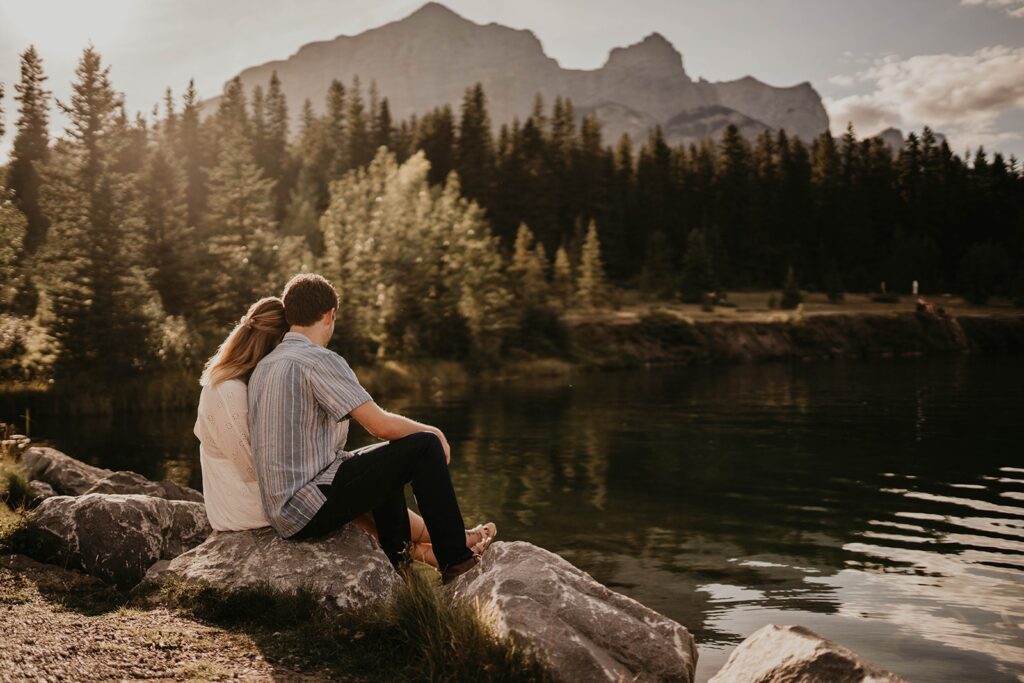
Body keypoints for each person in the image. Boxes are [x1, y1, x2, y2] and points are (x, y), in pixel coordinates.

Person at [194, 295, 494, 569]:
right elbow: (380, 426)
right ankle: (455, 558)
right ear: (329, 315)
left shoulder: (261, 372)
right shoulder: (306, 362)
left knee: (383, 464)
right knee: (423, 444)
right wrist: (434, 432)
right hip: (281, 508)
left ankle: (401, 565)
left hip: (288, 503)